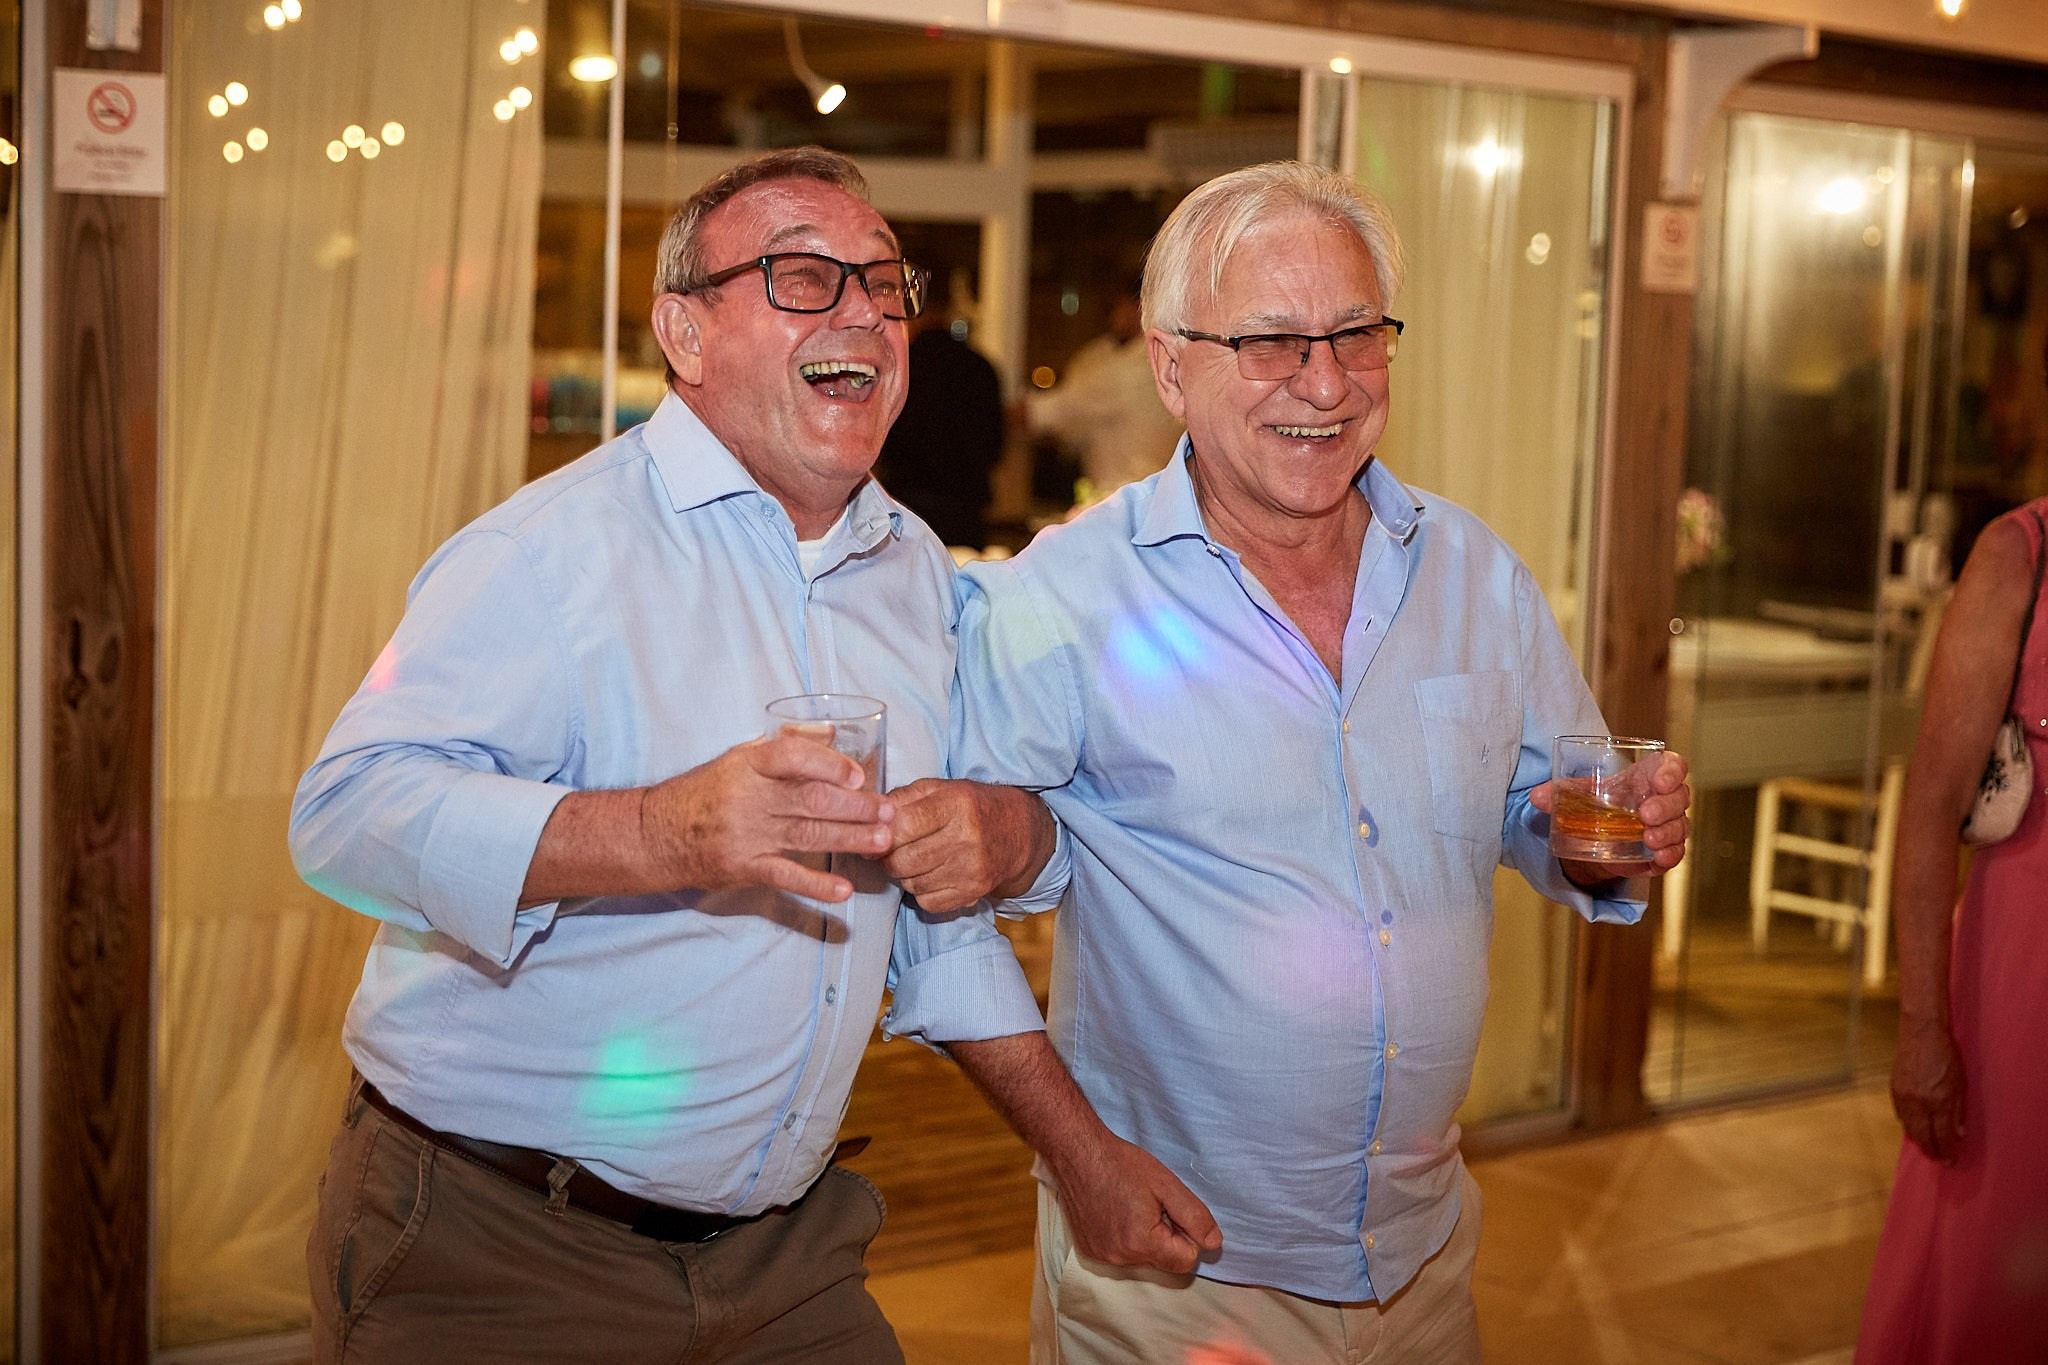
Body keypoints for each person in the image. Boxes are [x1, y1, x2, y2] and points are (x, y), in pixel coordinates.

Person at [289, 146, 1201, 1364]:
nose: (863, 314)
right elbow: (343, 815)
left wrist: (1079, 1151)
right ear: (684, 331)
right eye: (801, 278)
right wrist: (663, 831)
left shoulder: (913, 574)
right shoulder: (547, 554)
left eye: (884, 285)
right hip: (504, 1248)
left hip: (789, 1256)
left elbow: (932, 915)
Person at [950, 161, 1692, 1364]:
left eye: (1356, 334)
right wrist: (1076, 1160)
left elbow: (1539, 816)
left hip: (1425, 1258)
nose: (1325, 382)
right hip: (1177, 1275)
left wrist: (1600, 843)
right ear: (1169, 362)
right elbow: (937, 917)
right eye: (1272, 342)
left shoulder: (1473, 575)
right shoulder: (1065, 598)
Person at [1857, 496, 2048, 1362]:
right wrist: (1924, 1028)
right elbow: (1932, 805)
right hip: (2025, 978)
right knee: (1992, 1274)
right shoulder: (2016, 557)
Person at [1030, 281, 1184, 501]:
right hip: (1159, 494)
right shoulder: (1104, 355)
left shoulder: (1132, 366)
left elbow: (1053, 410)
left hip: (1125, 495)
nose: (1116, 315)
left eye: (1122, 306)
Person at [874, 306, 1007, 549]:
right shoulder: (980, 367)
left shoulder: (902, 367)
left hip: (905, 505)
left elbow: (882, 438)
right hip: (965, 509)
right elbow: (994, 446)